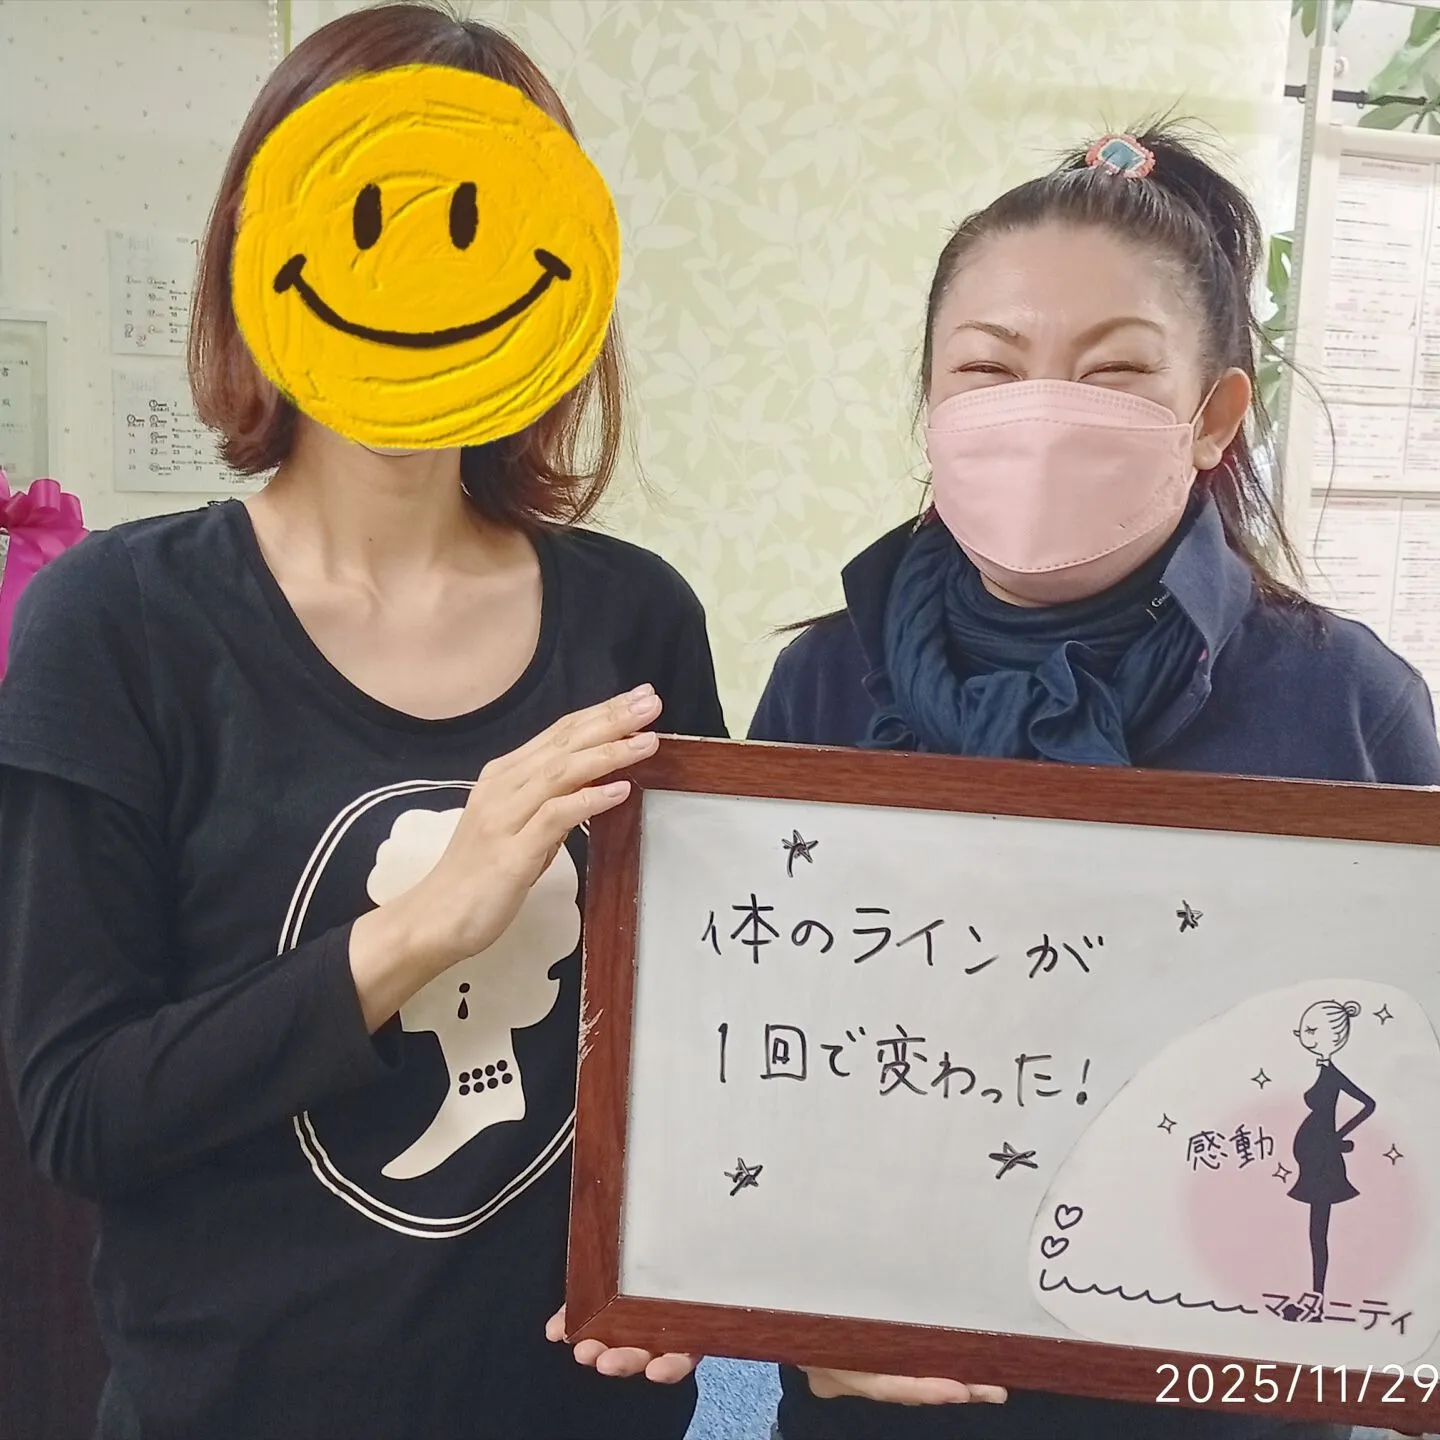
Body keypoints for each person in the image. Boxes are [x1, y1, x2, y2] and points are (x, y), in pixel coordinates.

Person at [0, 6, 718, 1438]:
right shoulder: (116, 623)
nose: (421, 272)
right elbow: (81, 1110)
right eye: (371, 217)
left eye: (475, 221)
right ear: (257, 252)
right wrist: (424, 927)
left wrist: (693, 1275)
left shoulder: (635, 618)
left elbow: (691, 1033)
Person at [748, 123, 1438, 1440]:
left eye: (1114, 371)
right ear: (934, 406)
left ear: (1213, 417)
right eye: (988, 369)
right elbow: (749, 1051)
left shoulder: (1345, 704)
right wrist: (782, 1309)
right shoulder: (825, 686)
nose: (1042, 414)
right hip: (888, 1391)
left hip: (1224, 1398)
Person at [1289, 1000, 1375, 1296]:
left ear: (1334, 1036)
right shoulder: (1324, 1072)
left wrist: (1338, 1137)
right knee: (1314, 1232)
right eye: (1304, 1030)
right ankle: (1316, 1294)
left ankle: (1318, 1295)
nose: (1304, 1036)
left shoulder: (1333, 1075)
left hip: (1324, 1162)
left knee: (1318, 1232)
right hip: (1315, 1161)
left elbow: (1369, 1104)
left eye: (1312, 1030)